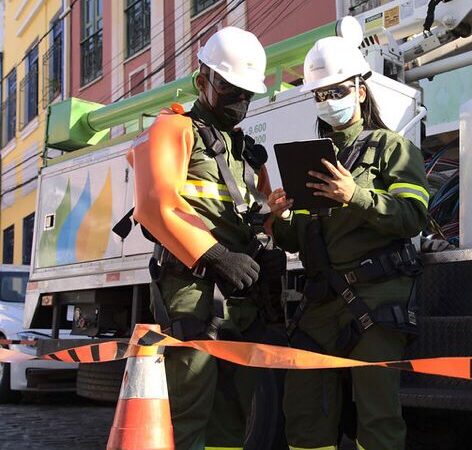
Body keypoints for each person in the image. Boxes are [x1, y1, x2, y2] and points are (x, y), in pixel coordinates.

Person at [268, 36, 429, 450]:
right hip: (320, 305)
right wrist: (275, 217)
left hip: (376, 299)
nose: (328, 101)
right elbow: (295, 240)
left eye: (337, 91)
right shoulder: (310, 160)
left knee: (378, 420)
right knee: (303, 415)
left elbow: (412, 218)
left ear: (360, 90)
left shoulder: (394, 148)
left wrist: (353, 195)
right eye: (320, 95)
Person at [127, 27, 283, 450]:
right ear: (202, 82)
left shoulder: (247, 152)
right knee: (188, 406)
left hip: (240, 295)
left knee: (232, 412)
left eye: (246, 94)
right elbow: (155, 203)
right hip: (193, 288)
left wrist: (275, 216)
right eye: (230, 90)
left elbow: (255, 217)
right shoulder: (173, 128)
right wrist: (214, 255)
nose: (240, 102)